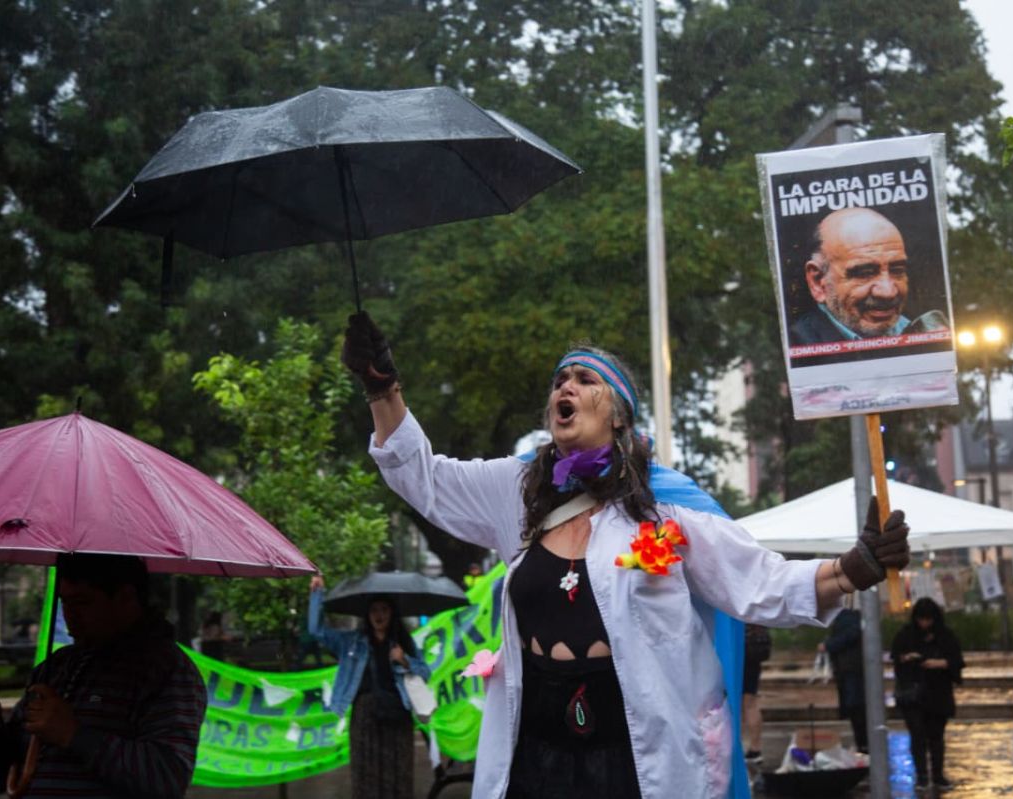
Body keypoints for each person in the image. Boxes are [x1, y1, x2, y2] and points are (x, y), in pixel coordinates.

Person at [341, 311, 911, 799]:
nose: (564, 387)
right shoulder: (516, 490)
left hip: (635, 752)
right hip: (533, 746)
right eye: (559, 380)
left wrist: (854, 568)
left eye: (584, 379)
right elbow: (423, 479)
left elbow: (759, 582)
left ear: (617, 414)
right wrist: (382, 390)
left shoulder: (664, 509)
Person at [0, 553, 207, 799]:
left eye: (82, 602)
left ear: (125, 598)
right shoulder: (56, 667)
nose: (70, 614)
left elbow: (166, 779)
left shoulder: (167, 670)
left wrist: (74, 734)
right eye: (65, 602)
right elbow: (1, 776)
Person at [308, 575, 433, 799]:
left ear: (392, 613)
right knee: (367, 775)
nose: (379, 615)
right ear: (367, 614)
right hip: (365, 717)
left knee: (398, 774)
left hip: (398, 716)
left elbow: (425, 673)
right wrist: (317, 594)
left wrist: (404, 660)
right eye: (374, 610)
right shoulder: (351, 641)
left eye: (384, 609)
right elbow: (317, 631)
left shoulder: (403, 642)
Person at [789, 207, 912, 345]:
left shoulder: (922, 331)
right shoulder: (796, 346)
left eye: (897, 270)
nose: (888, 292)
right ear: (818, 282)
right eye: (865, 274)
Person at [890, 597, 964, 791]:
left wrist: (938, 663)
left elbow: (956, 660)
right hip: (913, 695)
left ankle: (937, 775)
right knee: (917, 735)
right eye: (921, 619)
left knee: (936, 736)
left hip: (938, 693)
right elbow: (897, 658)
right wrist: (909, 659)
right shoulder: (906, 635)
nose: (924, 624)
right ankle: (922, 775)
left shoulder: (945, 636)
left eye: (928, 620)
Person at [822, 605, 867, 753]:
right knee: (856, 707)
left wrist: (829, 645)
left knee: (856, 707)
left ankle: (863, 744)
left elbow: (849, 636)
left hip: (850, 668)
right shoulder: (848, 617)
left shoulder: (847, 618)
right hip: (849, 667)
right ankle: (863, 743)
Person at [741, 623, 772, 764]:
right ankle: (755, 748)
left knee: (732, 703)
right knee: (751, 703)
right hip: (753, 654)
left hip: (735, 651)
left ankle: (735, 747)